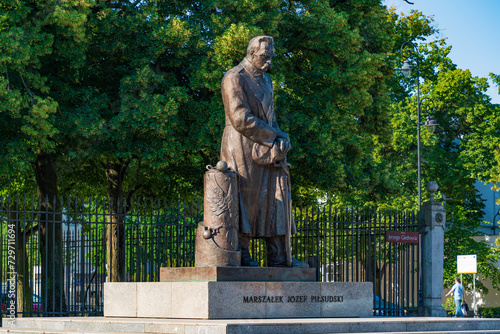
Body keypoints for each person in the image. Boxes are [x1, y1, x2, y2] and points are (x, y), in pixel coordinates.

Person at [219, 36, 307, 268]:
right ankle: (241, 255)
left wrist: (281, 139)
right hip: (241, 145)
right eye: (264, 57)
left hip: (266, 147)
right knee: (244, 200)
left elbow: (271, 116)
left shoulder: (266, 80)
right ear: (251, 53)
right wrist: (273, 136)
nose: (269, 62)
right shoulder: (233, 77)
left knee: (275, 198)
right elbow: (240, 118)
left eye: (271, 57)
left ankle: (279, 257)